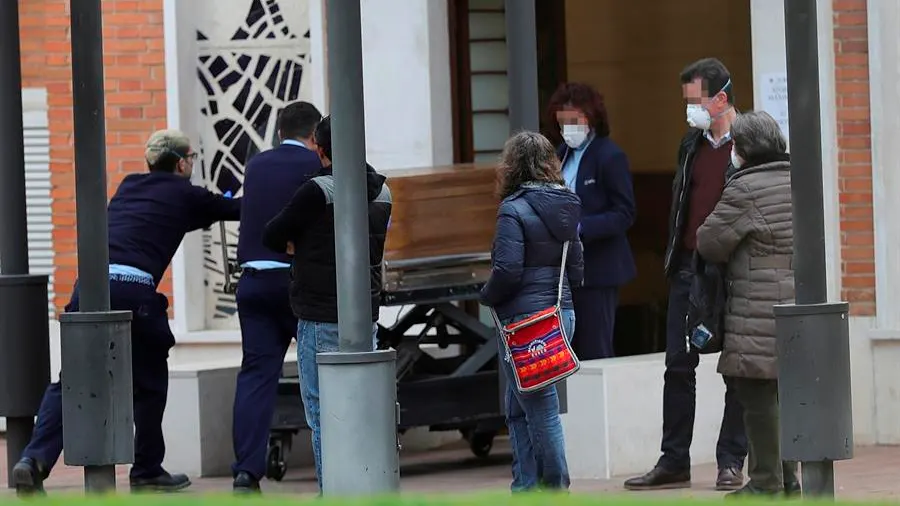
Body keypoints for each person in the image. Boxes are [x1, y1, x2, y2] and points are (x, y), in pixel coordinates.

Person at [12, 130, 241, 496]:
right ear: (181, 163)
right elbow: (233, 209)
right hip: (134, 292)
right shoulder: (186, 193)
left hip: (89, 288)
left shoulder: (130, 185)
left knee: (71, 381)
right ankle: (147, 469)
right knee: (149, 382)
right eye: (193, 159)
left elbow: (164, 216)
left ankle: (32, 461)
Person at [625, 58, 748, 491]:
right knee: (678, 364)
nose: (690, 110)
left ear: (721, 98)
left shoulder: (748, 145)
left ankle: (731, 461)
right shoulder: (689, 145)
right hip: (687, 271)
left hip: (734, 274)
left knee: (738, 366)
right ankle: (673, 459)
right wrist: (675, 260)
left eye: (695, 101)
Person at [262, 115, 392, 492]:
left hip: (320, 315)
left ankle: (333, 491)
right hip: (364, 314)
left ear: (320, 149)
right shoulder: (384, 192)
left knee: (324, 414)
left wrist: (298, 244)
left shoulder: (317, 191)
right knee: (359, 413)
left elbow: (272, 234)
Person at [696, 111, 800, 498]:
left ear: (744, 149)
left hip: (757, 309)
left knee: (757, 399)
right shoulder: (798, 179)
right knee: (784, 397)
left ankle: (765, 483)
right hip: (796, 307)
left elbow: (710, 241)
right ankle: (788, 481)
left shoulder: (746, 189)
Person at [479, 131, 584, 492]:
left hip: (525, 324)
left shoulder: (513, 208)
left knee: (540, 409)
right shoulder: (568, 205)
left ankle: (556, 488)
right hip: (559, 315)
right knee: (518, 407)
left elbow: (507, 271)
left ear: (511, 166)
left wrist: (486, 295)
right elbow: (578, 269)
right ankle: (525, 486)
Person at [231, 101, 323, 493]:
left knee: (255, 377)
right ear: (315, 135)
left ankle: (245, 473)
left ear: (279, 131)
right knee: (321, 378)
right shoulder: (316, 170)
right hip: (297, 284)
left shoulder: (255, 165)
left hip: (252, 283)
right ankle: (333, 471)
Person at [547, 82, 635, 360]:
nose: (568, 129)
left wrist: (583, 227)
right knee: (565, 349)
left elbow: (625, 212)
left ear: (591, 118)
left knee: (595, 347)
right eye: (563, 123)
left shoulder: (609, 156)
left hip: (598, 269)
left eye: (575, 121)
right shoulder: (560, 154)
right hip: (563, 270)